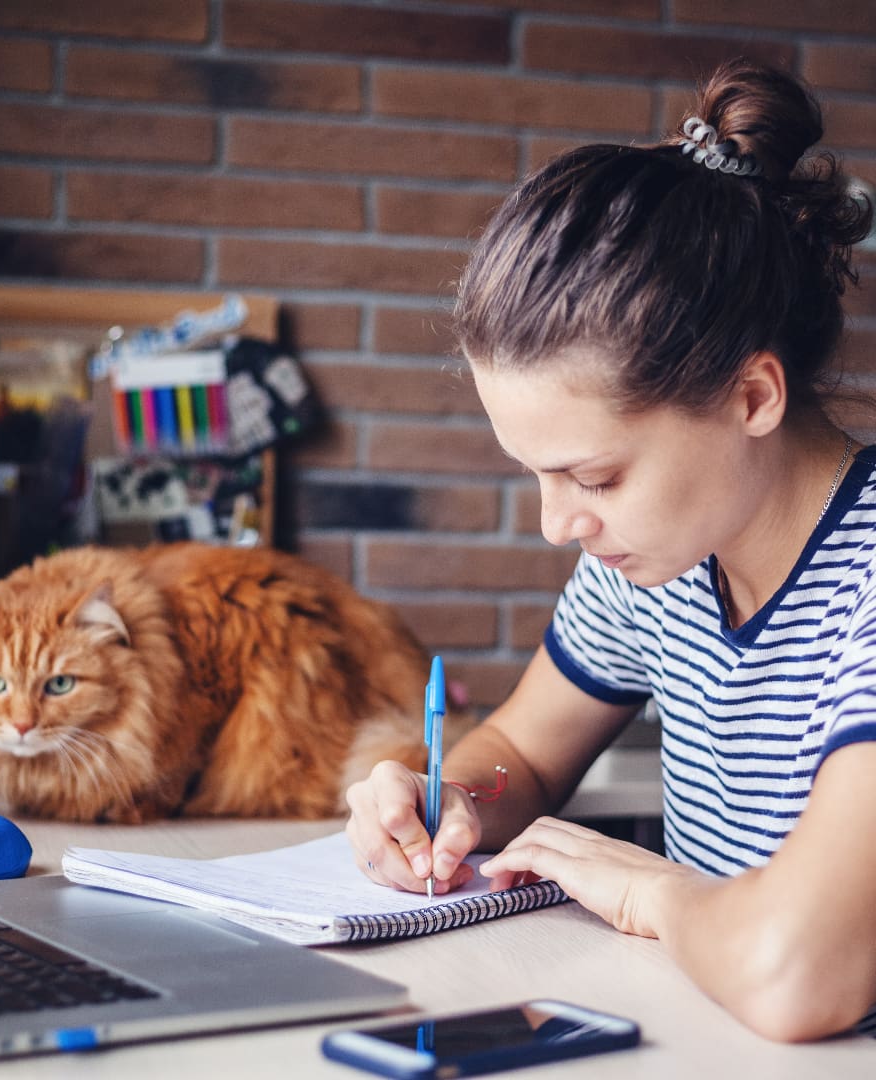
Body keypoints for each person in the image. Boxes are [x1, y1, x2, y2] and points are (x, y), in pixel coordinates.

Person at [345, 57, 876, 1044]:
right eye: (535, 475)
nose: (559, 526)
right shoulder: (660, 559)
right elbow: (519, 757)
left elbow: (801, 971)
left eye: (592, 478)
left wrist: (650, 894)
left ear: (750, 398)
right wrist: (447, 798)